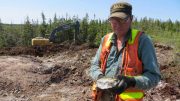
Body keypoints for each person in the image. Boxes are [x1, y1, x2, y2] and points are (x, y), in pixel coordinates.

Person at [89, 1, 161, 101]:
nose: (117, 25)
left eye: (122, 20)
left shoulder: (142, 41)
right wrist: (100, 77)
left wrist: (131, 81)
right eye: (114, 21)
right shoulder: (105, 40)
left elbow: (154, 76)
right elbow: (94, 66)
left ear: (131, 19)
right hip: (103, 97)